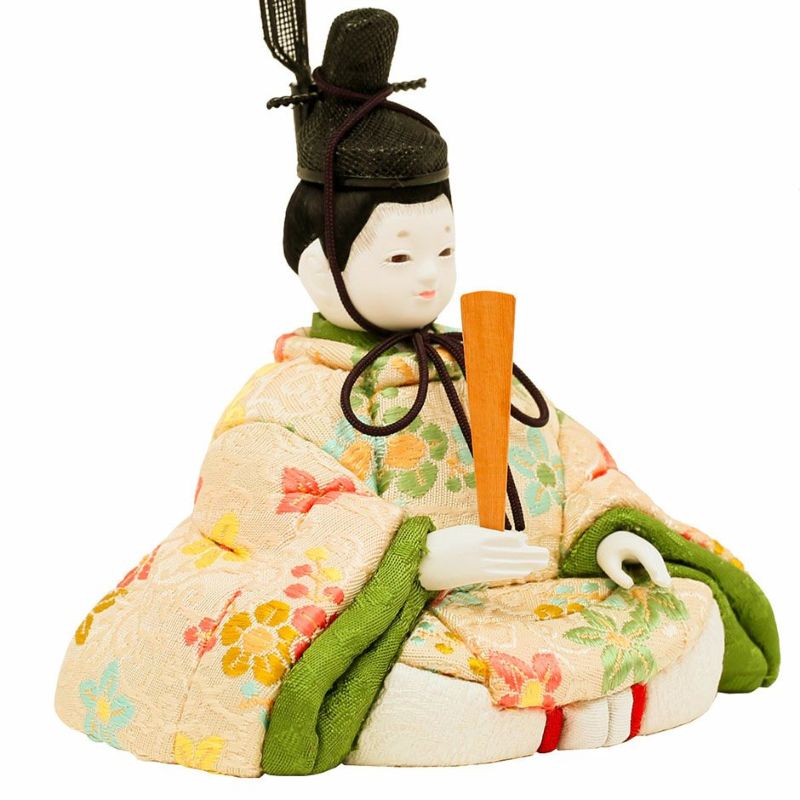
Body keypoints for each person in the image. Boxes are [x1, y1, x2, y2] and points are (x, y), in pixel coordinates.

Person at [54, 7, 779, 777]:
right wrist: (418, 560)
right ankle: (570, 710)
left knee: (687, 619)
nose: (431, 277)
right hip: (409, 616)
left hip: (534, 598)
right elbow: (258, 514)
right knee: (405, 691)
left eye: (445, 248)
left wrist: (607, 534)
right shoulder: (288, 399)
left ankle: (541, 714)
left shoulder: (479, 368)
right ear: (318, 263)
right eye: (399, 257)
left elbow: (569, 463)